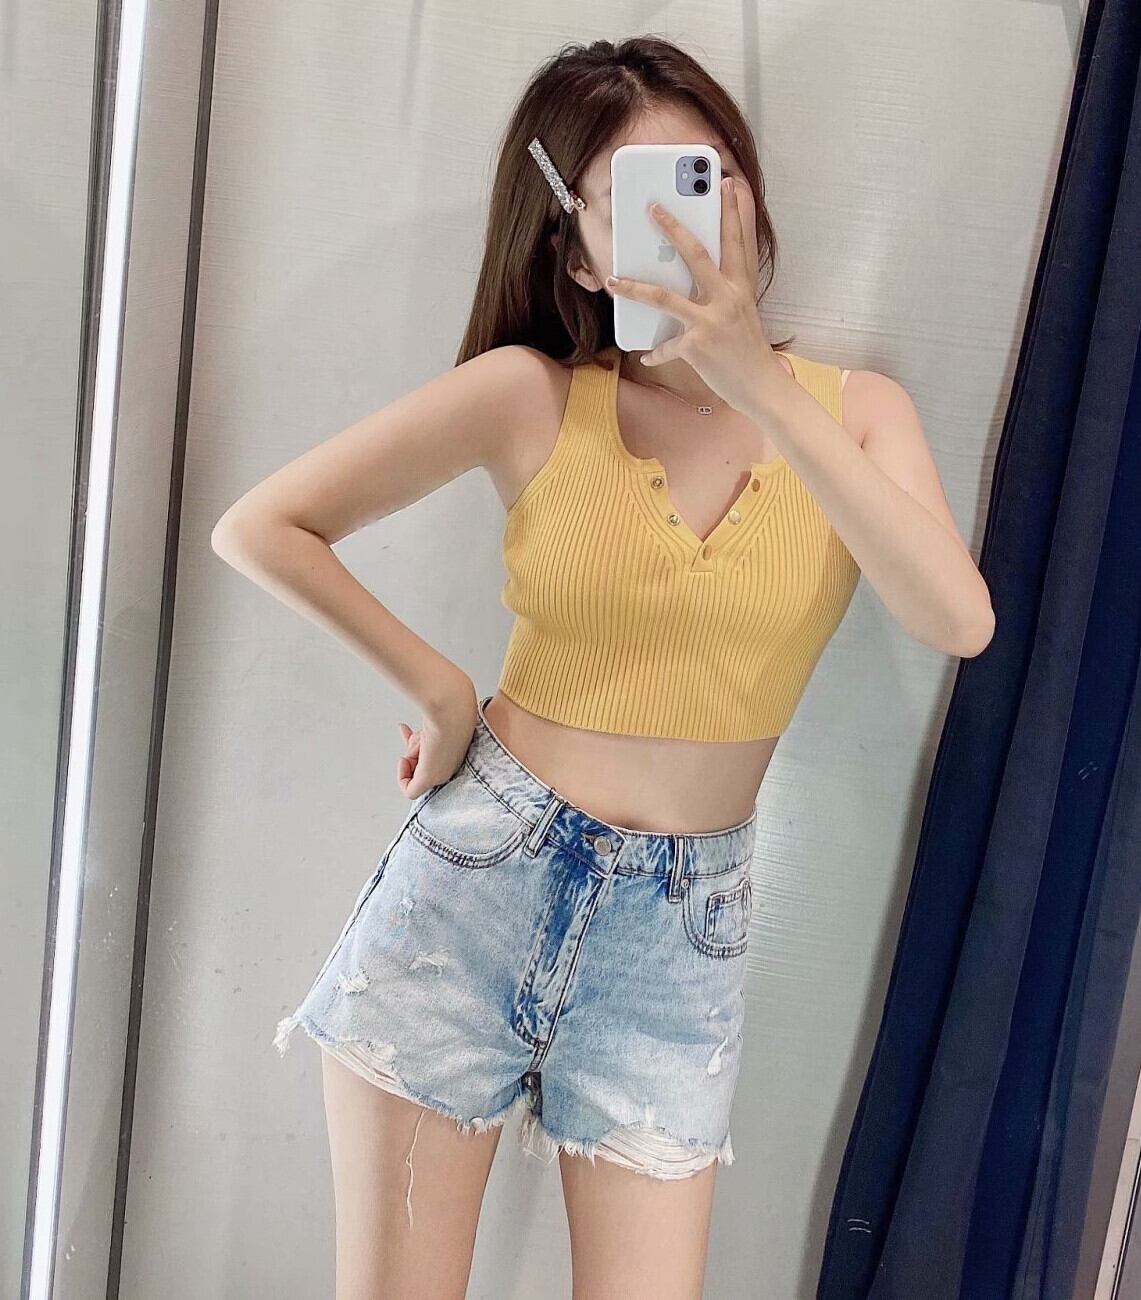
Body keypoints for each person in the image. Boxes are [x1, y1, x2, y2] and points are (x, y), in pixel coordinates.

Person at [213, 34, 994, 1300]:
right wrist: (440, 690)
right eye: (640, 197)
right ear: (576, 250)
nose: (691, 219)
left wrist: (759, 385)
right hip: (473, 884)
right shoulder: (529, 395)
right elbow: (261, 526)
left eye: (709, 176)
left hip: (679, 937)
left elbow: (953, 617)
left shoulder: (857, 413)